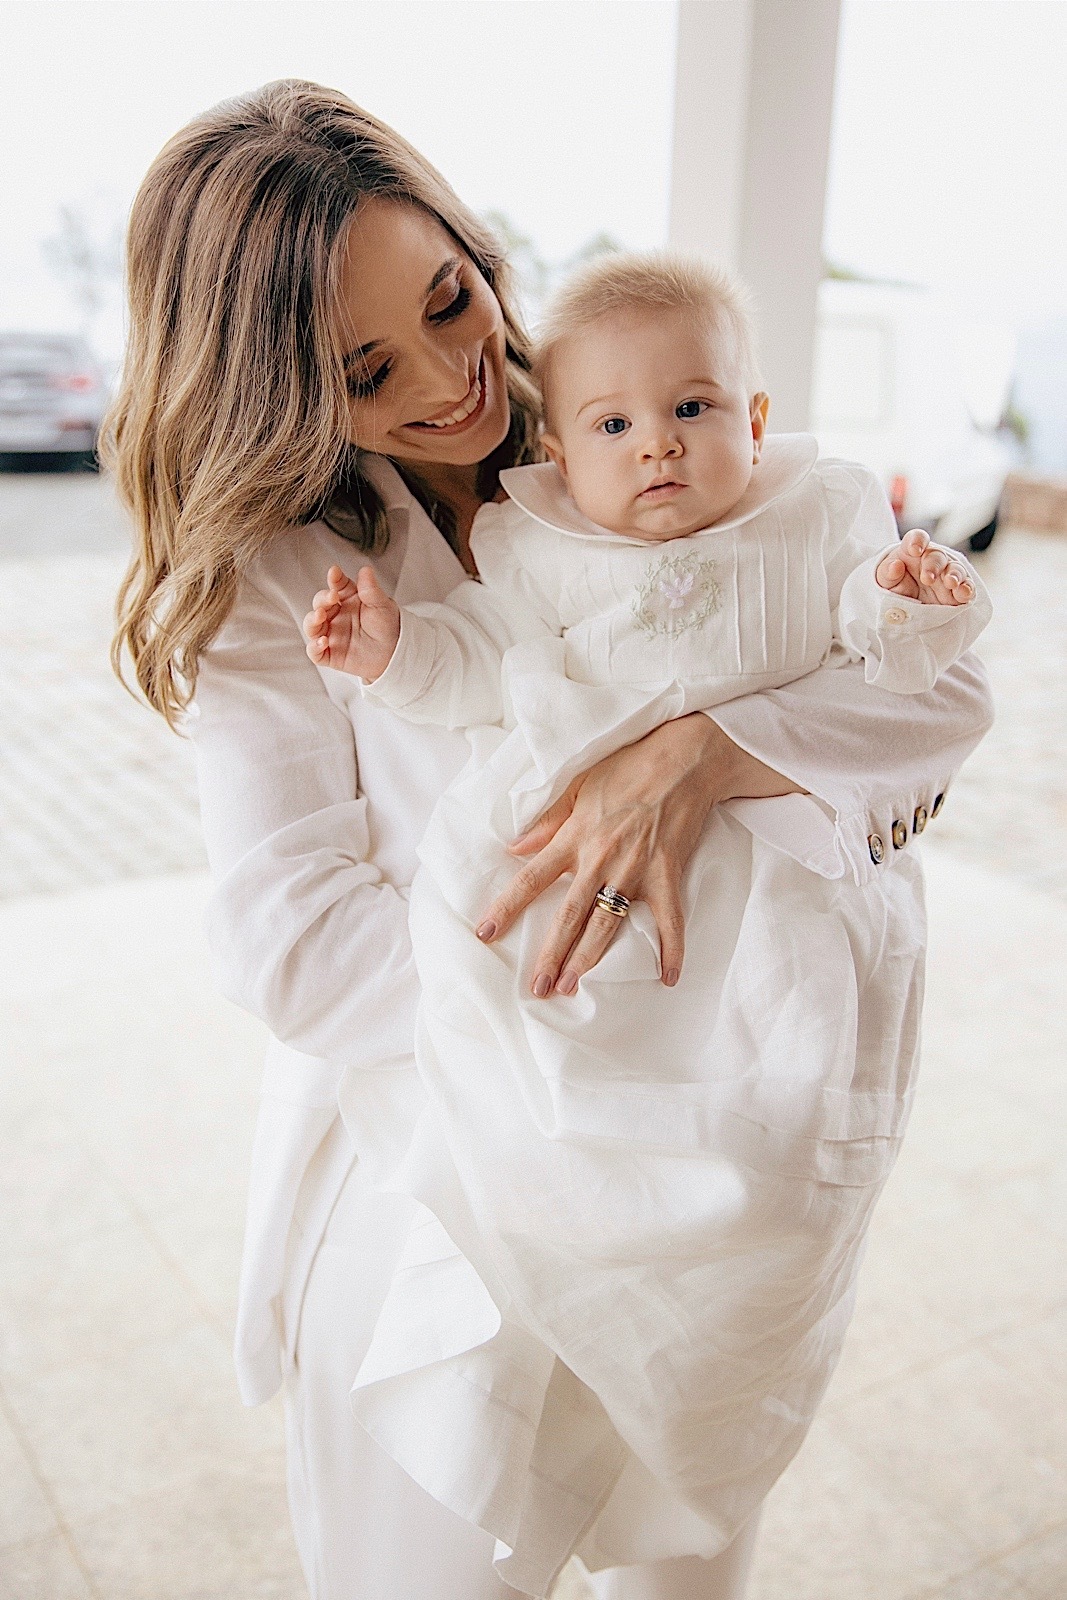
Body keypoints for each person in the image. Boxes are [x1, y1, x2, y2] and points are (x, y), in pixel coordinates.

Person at [104, 81, 993, 1600]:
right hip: (441, 1164)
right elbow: (293, 943)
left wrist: (705, 759)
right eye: (369, 368)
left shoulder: (632, 406)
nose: (456, 379)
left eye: (454, 298)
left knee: (691, 1548)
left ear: (465, 233)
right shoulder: (286, 571)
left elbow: (919, 729)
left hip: (718, 1164)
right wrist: (588, 1019)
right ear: (280, 388)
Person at [298, 250, 991, 1593]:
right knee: (569, 1084)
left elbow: (909, 684)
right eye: (615, 426)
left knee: (774, 1129)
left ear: (759, 420)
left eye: (695, 409)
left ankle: (727, 1294)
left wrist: (909, 606)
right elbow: (478, 671)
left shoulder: (818, 518)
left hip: (775, 906)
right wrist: (389, 653)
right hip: (589, 924)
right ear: (563, 446)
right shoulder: (540, 546)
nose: (658, 446)